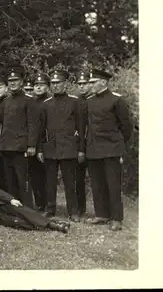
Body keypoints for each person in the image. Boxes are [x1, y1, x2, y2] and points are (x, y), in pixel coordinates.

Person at [85, 69, 133, 231]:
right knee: (97, 183)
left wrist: (118, 144)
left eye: (93, 82)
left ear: (103, 83)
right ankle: (102, 214)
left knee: (113, 184)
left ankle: (116, 218)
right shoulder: (89, 101)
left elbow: (126, 127)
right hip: (93, 148)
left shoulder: (116, 100)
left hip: (112, 149)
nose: (90, 85)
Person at [37, 70, 85, 222]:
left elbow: (81, 127)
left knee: (70, 182)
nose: (55, 86)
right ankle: (50, 209)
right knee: (49, 181)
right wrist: (39, 149)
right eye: (53, 83)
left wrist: (80, 149)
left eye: (58, 83)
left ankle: (74, 212)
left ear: (65, 84)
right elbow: (40, 129)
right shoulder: (45, 104)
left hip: (69, 147)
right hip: (50, 148)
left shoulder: (74, 102)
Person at [0, 65, 39, 208]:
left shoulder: (29, 100)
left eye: (16, 80)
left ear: (21, 82)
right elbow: (2, 122)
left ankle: (28, 208)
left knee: (23, 181)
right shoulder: (6, 101)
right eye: (10, 81)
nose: (13, 83)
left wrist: (31, 145)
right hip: (6, 146)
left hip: (21, 147)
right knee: (10, 180)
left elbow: (33, 125)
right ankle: (15, 208)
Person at [29, 73, 51, 212]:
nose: (38, 87)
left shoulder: (50, 102)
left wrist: (41, 148)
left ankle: (49, 203)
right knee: (35, 176)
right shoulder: (31, 102)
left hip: (46, 144)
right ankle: (40, 203)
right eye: (36, 85)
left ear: (47, 87)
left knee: (47, 177)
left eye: (41, 85)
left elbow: (46, 128)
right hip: (32, 144)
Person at [74, 70, 93, 216]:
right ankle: (80, 208)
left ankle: (103, 211)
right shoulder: (76, 101)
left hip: (95, 144)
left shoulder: (95, 99)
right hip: (79, 144)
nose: (81, 87)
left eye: (84, 83)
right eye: (79, 84)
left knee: (96, 178)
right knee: (78, 178)